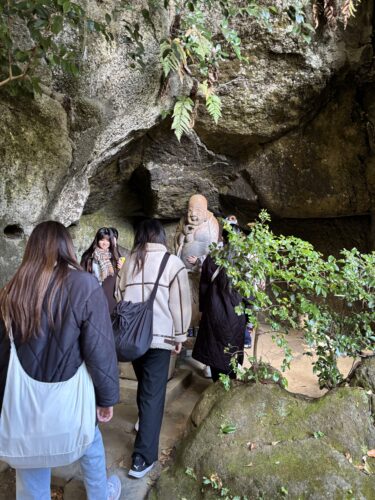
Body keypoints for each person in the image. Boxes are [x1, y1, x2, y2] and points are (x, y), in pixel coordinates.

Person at [0, 221, 121, 500]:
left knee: (30, 454)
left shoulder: (12, 288)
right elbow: (100, 348)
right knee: (90, 439)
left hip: (24, 400)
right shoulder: (84, 284)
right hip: (72, 393)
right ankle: (100, 495)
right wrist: (106, 398)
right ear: (67, 247)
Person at [116, 219, 191, 479]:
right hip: (160, 339)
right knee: (152, 393)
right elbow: (180, 303)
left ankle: (143, 423)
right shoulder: (172, 263)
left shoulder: (130, 263)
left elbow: (119, 296)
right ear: (160, 236)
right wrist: (180, 335)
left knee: (146, 387)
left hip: (134, 338)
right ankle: (142, 457)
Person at [192, 225, 247, 382]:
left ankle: (217, 385)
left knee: (215, 351)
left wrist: (203, 309)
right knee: (232, 353)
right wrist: (249, 315)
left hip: (213, 313)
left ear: (222, 238)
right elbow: (249, 294)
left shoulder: (212, 258)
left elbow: (203, 287)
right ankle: (229, 387)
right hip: (236, 316)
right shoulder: (243, 261)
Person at [81, 227, 121, 313]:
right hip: (92, 296)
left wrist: (120, 268)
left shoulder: (115, 257)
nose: (105, 243)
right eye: (102, 240)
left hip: (110, 299)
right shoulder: (88, 256)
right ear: (97, 240)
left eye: (108, 240)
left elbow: (118, 278)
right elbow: (82, 277)